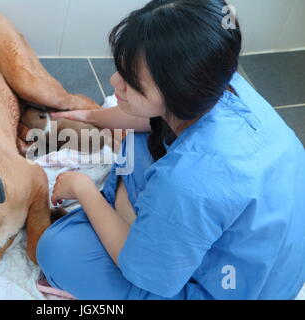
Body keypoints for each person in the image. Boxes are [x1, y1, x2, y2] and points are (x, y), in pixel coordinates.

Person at [36, 0, 305, 300]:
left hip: (236, 289)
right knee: (139, 143)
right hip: (269, 258)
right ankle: (143, 226)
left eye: (131, 82)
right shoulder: (218, 81)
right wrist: (91, 117)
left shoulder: (190, 180)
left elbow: (140, 269)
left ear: (177, 92)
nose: (114, 82)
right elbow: (147, 118)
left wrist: (83, 189)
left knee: (57, 250)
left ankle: (137, 230)